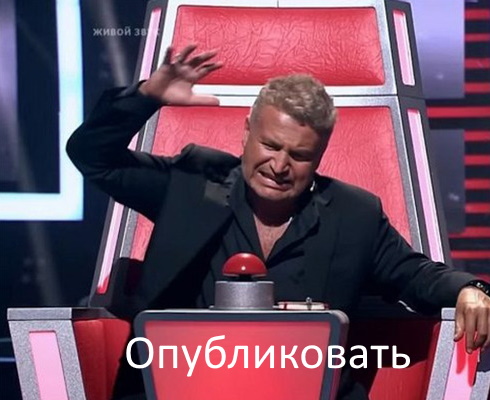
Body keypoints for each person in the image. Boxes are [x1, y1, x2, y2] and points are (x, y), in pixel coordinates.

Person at [67, 44, 490, 400]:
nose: (280, 166)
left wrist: (470, 289)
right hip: (180, 387)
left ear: (319, 156)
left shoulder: (354, 215)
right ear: (246, 132)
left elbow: (416, 275)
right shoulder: (192, 182)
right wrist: (145, 97)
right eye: (270, 145)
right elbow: (92, 157)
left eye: (299, 155)